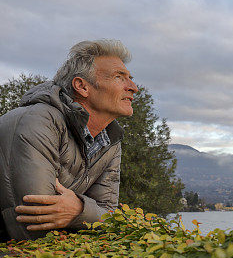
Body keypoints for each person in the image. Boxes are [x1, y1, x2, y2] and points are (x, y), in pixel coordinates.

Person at [0, 39, 137, 241]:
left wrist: (78, 210)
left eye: (130, 78)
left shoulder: (110, 141)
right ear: (82, 86)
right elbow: (35, 220)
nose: (133, 87)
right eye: (119, 77)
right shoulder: (38, 121)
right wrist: (85, 214)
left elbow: (110, 218)